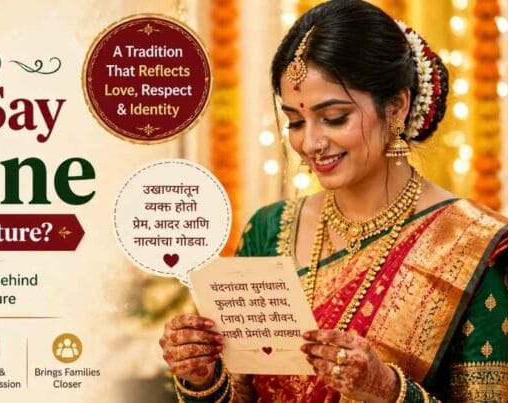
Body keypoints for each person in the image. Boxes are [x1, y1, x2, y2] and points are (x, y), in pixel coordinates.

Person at [159, 0, 508, 401]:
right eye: (294, 121)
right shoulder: (269, 229)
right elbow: (242, 394)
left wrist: (386, 389)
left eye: (335, 117)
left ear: (396, 106)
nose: (310, 143)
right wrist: (203, 378)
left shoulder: (469, 244)